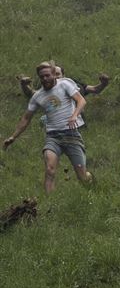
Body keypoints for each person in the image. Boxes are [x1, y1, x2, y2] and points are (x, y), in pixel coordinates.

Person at [3, 61, 93, 194]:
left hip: (71, 134)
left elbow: (81, 100)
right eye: (42, 77)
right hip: (53, 136)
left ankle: (90, 180)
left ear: (53, 75)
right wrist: (13, 136)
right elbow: (26, 118)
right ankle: (49, 201)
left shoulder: (64, 84)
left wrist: (74, 115)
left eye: (47, 75)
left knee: (82, 177)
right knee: (50, 170)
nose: (45, 79)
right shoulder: (38, 96)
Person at [19, 65, 110, 99]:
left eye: (57, 74)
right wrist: (24, 84)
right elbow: (32, 94)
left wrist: (104, 83)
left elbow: (95, 89)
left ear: (64, 75)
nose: (55, 77)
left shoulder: (74, 83)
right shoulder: (48, 87)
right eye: (52, 74)